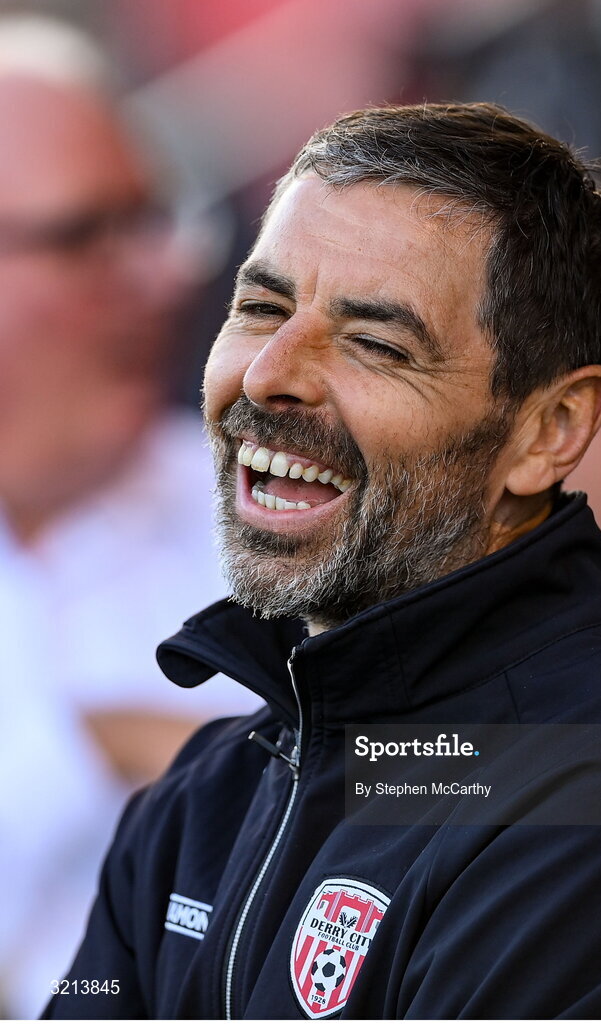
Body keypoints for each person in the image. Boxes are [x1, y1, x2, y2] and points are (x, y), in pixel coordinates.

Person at [45, 103, 601, 1020]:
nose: (272, 371)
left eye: (376, 343)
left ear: (549, 431)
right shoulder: (207, 793)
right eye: (261, 307)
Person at [0, 18, 260, 1017]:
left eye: (155, 223)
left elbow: (506, 785)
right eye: (87, 236)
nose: (165, 275)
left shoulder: (299, 513)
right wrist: (87, 743)